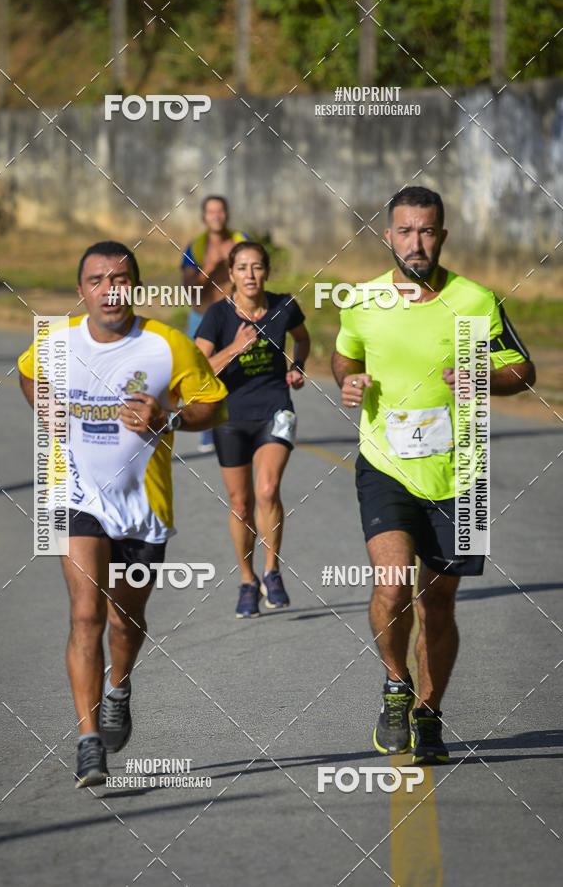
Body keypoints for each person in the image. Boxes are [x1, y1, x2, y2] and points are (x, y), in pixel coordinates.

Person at [331, 187, 535, 764]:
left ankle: (429, 711)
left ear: (441, 236)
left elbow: (524, 369)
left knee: (438, 605)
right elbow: (346, 354)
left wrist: (483, 380)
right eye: (405, 231)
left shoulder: (475, 300)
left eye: (427, 232)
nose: (416, 243)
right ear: (388, 236)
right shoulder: (363, 300)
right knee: (393, 585)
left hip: (462, 471)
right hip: (386, 467)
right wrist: (349, 380)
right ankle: (396, 683)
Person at [18, 241, 227, 787]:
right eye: (97, 280)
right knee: (85, 612)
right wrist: (41, 401)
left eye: (120, 278)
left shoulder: (167, 345)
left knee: (123, 620)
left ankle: (120, 686)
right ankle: (89, 743)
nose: (109, 290)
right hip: (74, 497)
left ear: (135, 285)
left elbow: (213, 405)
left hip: (142, 510)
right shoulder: (57, 341)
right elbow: (28, 374)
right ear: (81, 290)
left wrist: (169, 417)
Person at [195, 241, 310, 618]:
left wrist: (298, 364)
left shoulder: (284, 306)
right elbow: (198, 371)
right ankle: (247, 580)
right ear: (230, 274)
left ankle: (271, 570)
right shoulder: (217, 315)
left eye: (257, 267)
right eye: (242, 268)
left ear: (267, 271)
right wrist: (235, 348)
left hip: (274, 409)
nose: (250, 275)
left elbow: (303, 338)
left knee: (267, 489)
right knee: (241, 504)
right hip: (229, 418)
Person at [181, 195, 249, 452]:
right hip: (202, 316)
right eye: (211, 212)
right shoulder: (196, 248)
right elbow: (190, 291)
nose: (216, 216)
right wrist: (211, 265)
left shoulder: (241, 240)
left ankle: (235, 424)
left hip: (233, 314)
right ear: (204, 217)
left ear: (227, 213)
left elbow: (256, 272)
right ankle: (207, 429)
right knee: (203, 372)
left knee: (234, 367)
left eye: (220, 210)